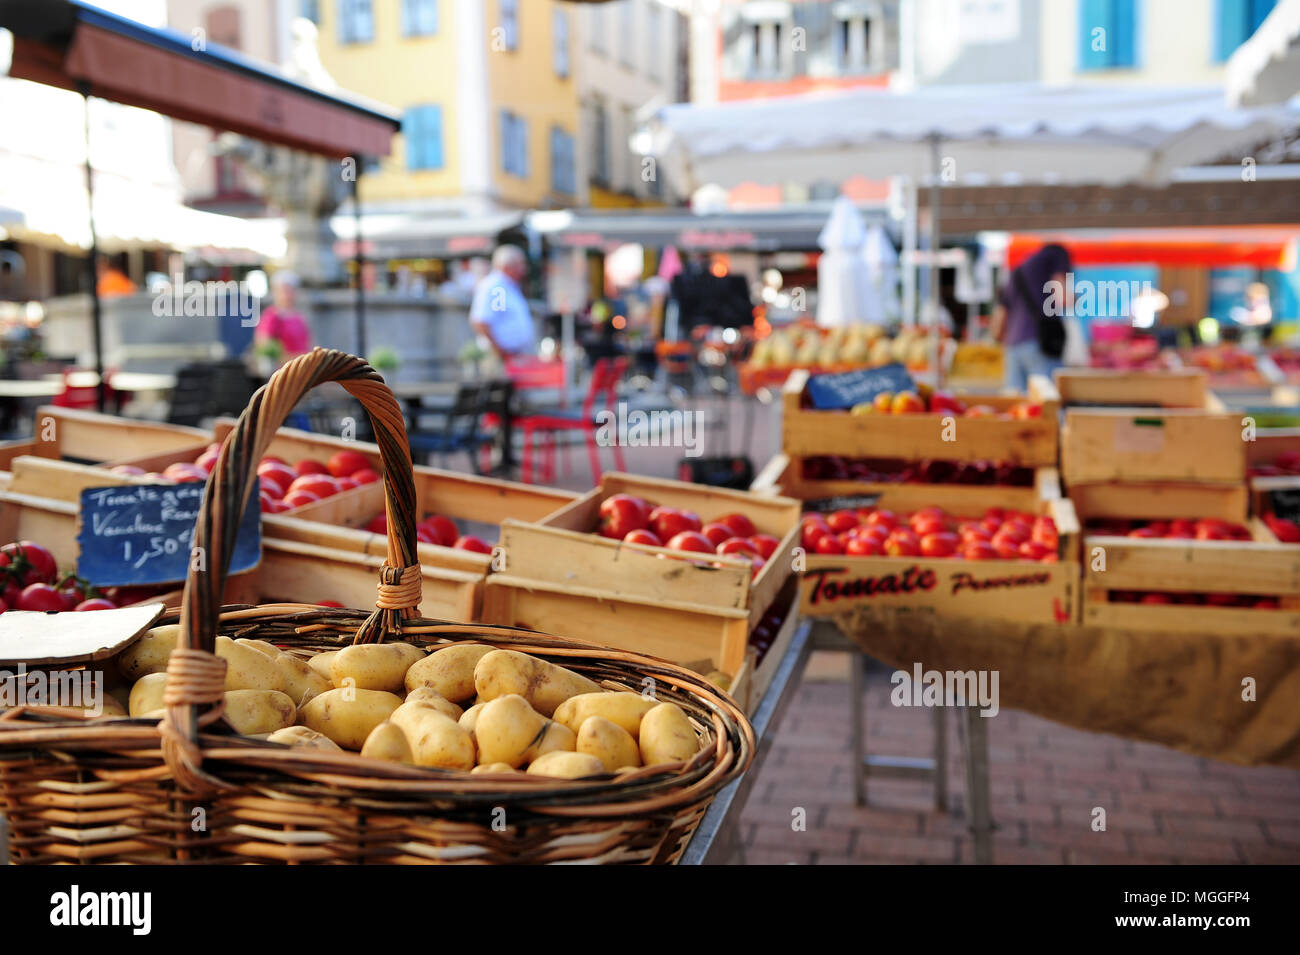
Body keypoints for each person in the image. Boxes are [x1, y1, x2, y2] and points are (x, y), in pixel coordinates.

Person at [991, 243, 1071, 392]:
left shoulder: (1016, 272)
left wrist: (997, 339)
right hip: (1038, 342)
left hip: (1012, 345)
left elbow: (1000, 315)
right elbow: (1062, 297)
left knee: (1017, 402)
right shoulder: (1057, 254)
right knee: (1048, 400)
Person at [470, 245, 536, 363]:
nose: (524, 269)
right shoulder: (497, 287)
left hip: (509, 356)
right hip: (500, 357)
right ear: (507, 266)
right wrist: (500, 351)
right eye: (520, 264)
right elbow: (481, 322)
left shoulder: (507, 286)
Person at [254, 270, 312, 364]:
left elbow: (308, 343)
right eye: (284, 291)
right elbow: (263, 344)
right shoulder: (271, 316)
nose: (287, 295)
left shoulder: (299, 317)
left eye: (290, 290)